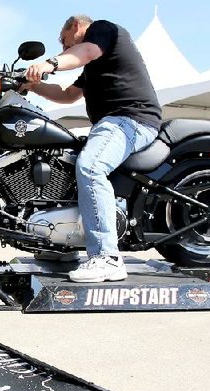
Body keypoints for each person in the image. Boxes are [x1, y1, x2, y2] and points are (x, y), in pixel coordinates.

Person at [24, 15, 162, 283]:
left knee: (91, 166)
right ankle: (62, 243)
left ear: (75, 26)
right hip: (113, 123)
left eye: (63, 41)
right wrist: (33, 85)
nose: (63, 48)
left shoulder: (102, 31)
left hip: (131, 119)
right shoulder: (94, 67)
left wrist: (48, 64)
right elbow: (68, 95)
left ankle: (107, 258)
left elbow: (83, 52)